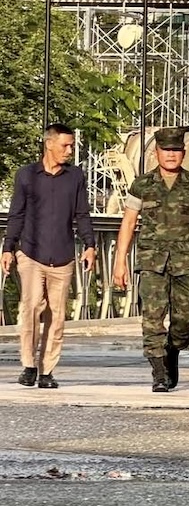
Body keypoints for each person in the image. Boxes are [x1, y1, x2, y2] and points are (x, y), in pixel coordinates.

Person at [113, 127, 189, 392]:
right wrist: (120, 261)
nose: (171, 155)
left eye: (176, 150)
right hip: (152, 261)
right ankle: (159, 372)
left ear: (183, 153)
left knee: (185, 320)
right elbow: (128, 222)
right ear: (157, 152)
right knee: (152, 317)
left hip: (186, 262)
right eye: (166, 150)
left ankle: (173, 349)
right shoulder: (142, 185)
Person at [2, 124, 96, 389]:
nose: (70, 150)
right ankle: (29, 365)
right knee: (31, 307)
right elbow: (16, 214)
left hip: (63, 255)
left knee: (57, 315)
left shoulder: (75, 176)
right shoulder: (27, 175)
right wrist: (8, 248)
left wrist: (90, 245)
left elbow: (82, 214)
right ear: (49, 144)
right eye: (65, 145)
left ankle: (46, 371)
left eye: (72, 145)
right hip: (31, 253)